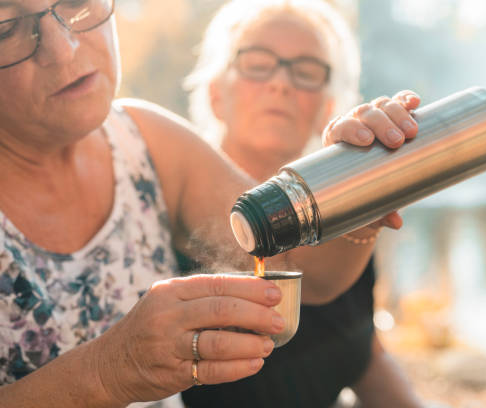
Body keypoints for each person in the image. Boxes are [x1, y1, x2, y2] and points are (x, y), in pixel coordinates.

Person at [0, 0, 420, 407]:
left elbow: (298, 263)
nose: (63, 47)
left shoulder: (146, 141)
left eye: (75, 2)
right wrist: (111, 370)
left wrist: (356, 190)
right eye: (6, 27)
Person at [180, 1, 425, 407]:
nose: (281, 83)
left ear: (327, 109)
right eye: (258, 63)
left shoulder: (347, 224)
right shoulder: (169, 202)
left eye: (307, 71)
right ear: (216, 94)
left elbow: (362, 354)